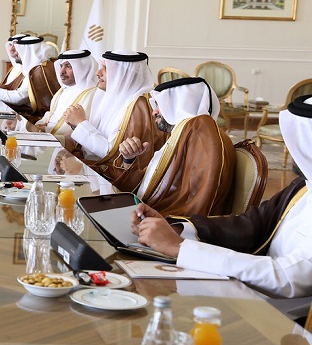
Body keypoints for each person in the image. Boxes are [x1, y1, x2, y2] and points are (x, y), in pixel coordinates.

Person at [131, 94, 312, 299]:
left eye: (301, 139)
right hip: (252, 290)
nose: (292, 147)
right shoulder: (304, 185)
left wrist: (180, 248)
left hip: (284, 312)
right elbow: (254, 223)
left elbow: (287, 278)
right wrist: (175, 228)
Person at [116, 77, 234, 216]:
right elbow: (151, 186)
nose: (154, 112)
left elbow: (197, 201)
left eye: (160, 105)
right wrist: (129, 159)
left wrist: (156, 221)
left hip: (164, 220)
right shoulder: (182, 133)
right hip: (148, 211)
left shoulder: (202, 129)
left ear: (180, 103)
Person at [63, 51, 167, 189]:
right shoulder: (106, 95)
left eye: (105, 68)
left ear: (124, 75)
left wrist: (80, 124)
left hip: (114, 181)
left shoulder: (139, 106)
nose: (98, 73)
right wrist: (76, 126)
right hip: (96, 173)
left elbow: (116, 156)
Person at [34, 49, 98, 135]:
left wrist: (47, 129)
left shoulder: (90, 93)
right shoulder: (63, 90)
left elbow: (76, 125)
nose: (62, 71)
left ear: (82, 69)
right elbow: (51, 114)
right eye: (61, 66)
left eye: (68, 66)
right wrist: (41, 123)